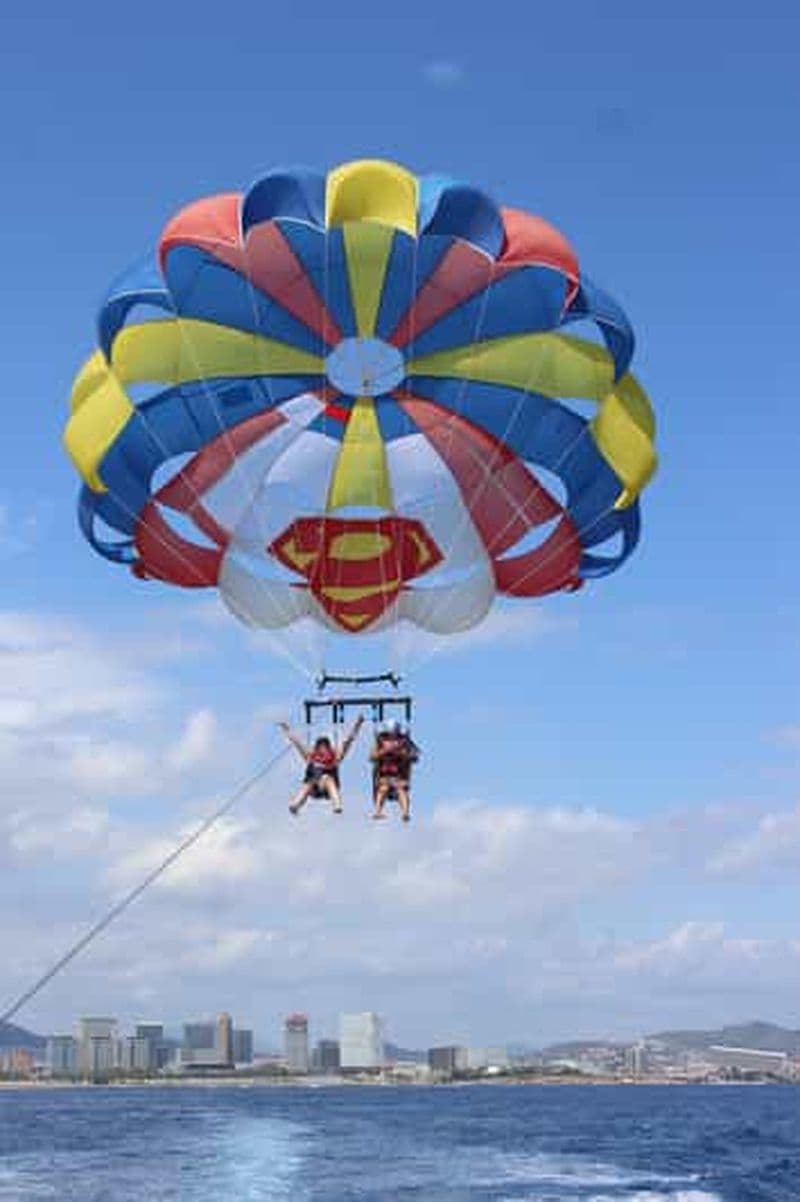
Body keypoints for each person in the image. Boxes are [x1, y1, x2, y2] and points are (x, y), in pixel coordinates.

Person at [279, 716, 364, 816]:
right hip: (314, 787)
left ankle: (337, 805)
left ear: (329, 748)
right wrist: (287, 730)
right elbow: (298, 744)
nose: (323, 750)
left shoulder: (335, 758)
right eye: (320, 747)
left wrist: (358, 724)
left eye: (325, 747)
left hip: (327, 787)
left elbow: (348, 742)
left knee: (327, 778)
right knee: (309, 784)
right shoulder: (311, 757)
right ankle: (296, 805)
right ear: (317, 748)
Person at [370, 721, 419, 823]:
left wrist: (401, 753)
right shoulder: (380, 742)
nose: (392, 737)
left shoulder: (404, 742)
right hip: (384, 776)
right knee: (383, 789)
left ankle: (405, 813)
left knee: (401, 790)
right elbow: (372, 757)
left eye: (394, 734)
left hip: (399, 776)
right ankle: (378, 811)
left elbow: (414, 757)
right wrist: (385, 751)